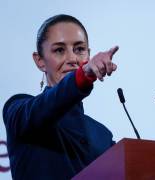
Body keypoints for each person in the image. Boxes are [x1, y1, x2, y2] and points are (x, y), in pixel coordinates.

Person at [2, 14, 118, 180]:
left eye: (79, 49)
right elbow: (45, 107)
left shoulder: (103, 136)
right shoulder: (19, 109)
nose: (72, 59)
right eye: (59, 50)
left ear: (88, 55)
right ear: (40, 61)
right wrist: (82, 75)